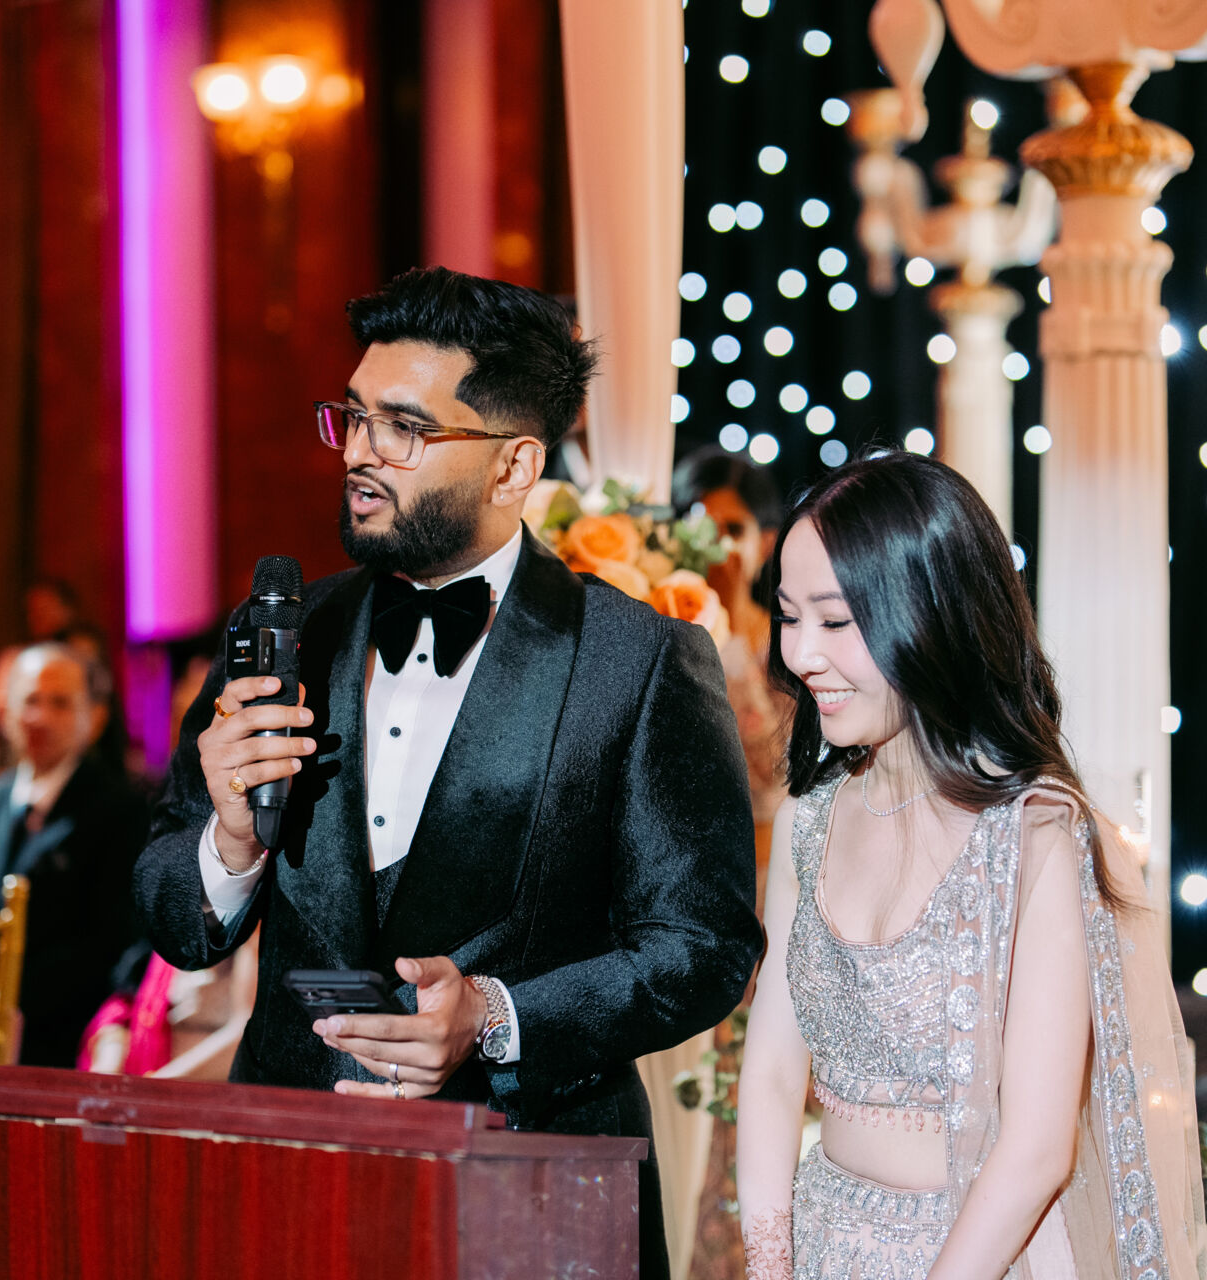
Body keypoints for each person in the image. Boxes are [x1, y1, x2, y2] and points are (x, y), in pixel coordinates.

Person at [133, 266, 763, 1280]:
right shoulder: (283, 635)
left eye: (404, 427)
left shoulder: (637, 661)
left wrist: (497, 1017)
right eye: (354, 417)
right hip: (296, 1178)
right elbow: (172, 910)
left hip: (533, 1191)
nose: (360, 452)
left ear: (515, 465)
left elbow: (703, 947)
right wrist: (229, 841)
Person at [735, 454, 1202, 1280]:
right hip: (821, 1245)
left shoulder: (1034, 835)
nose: (800, 654)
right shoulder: (809, 820)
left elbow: (1036, 1150)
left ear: (932, 615)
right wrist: (772, 1267)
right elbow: (772, 1072)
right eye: (789, 616)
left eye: (836, 622)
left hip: (981, 1258)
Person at [0, 642, 148, 1067]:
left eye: (59, 703)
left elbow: (112, 940)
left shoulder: (121, 810)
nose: (39, 717)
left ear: (94, 718)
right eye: (29, 701)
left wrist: (14, 998)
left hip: (68, 1037)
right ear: (6, 712)